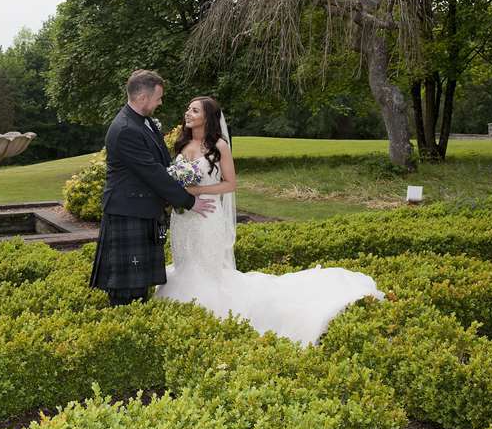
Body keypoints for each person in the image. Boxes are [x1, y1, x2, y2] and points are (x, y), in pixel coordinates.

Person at [154, 96, 384, 345]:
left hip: (207, 217)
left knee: (206, 270)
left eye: (194, 110)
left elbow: (230, 184)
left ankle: (208, 309)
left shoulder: (219, 146)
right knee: (185, 263)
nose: (187, 113)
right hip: (184, 219)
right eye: (188, 108)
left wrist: (198, 192)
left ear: (207, 117)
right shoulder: (182, 143)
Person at [89, 70, 216, 306]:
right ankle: (122, 328)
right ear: (142, 98)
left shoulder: (143, 121)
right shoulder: (126, 129)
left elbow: (161, 164)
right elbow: (153, 173)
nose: (160, 102)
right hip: (129, 212)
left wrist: (182, 179)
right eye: (158, 97)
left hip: (141, 209)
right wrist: (189, 201)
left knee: (140, 286)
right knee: (127, 289)